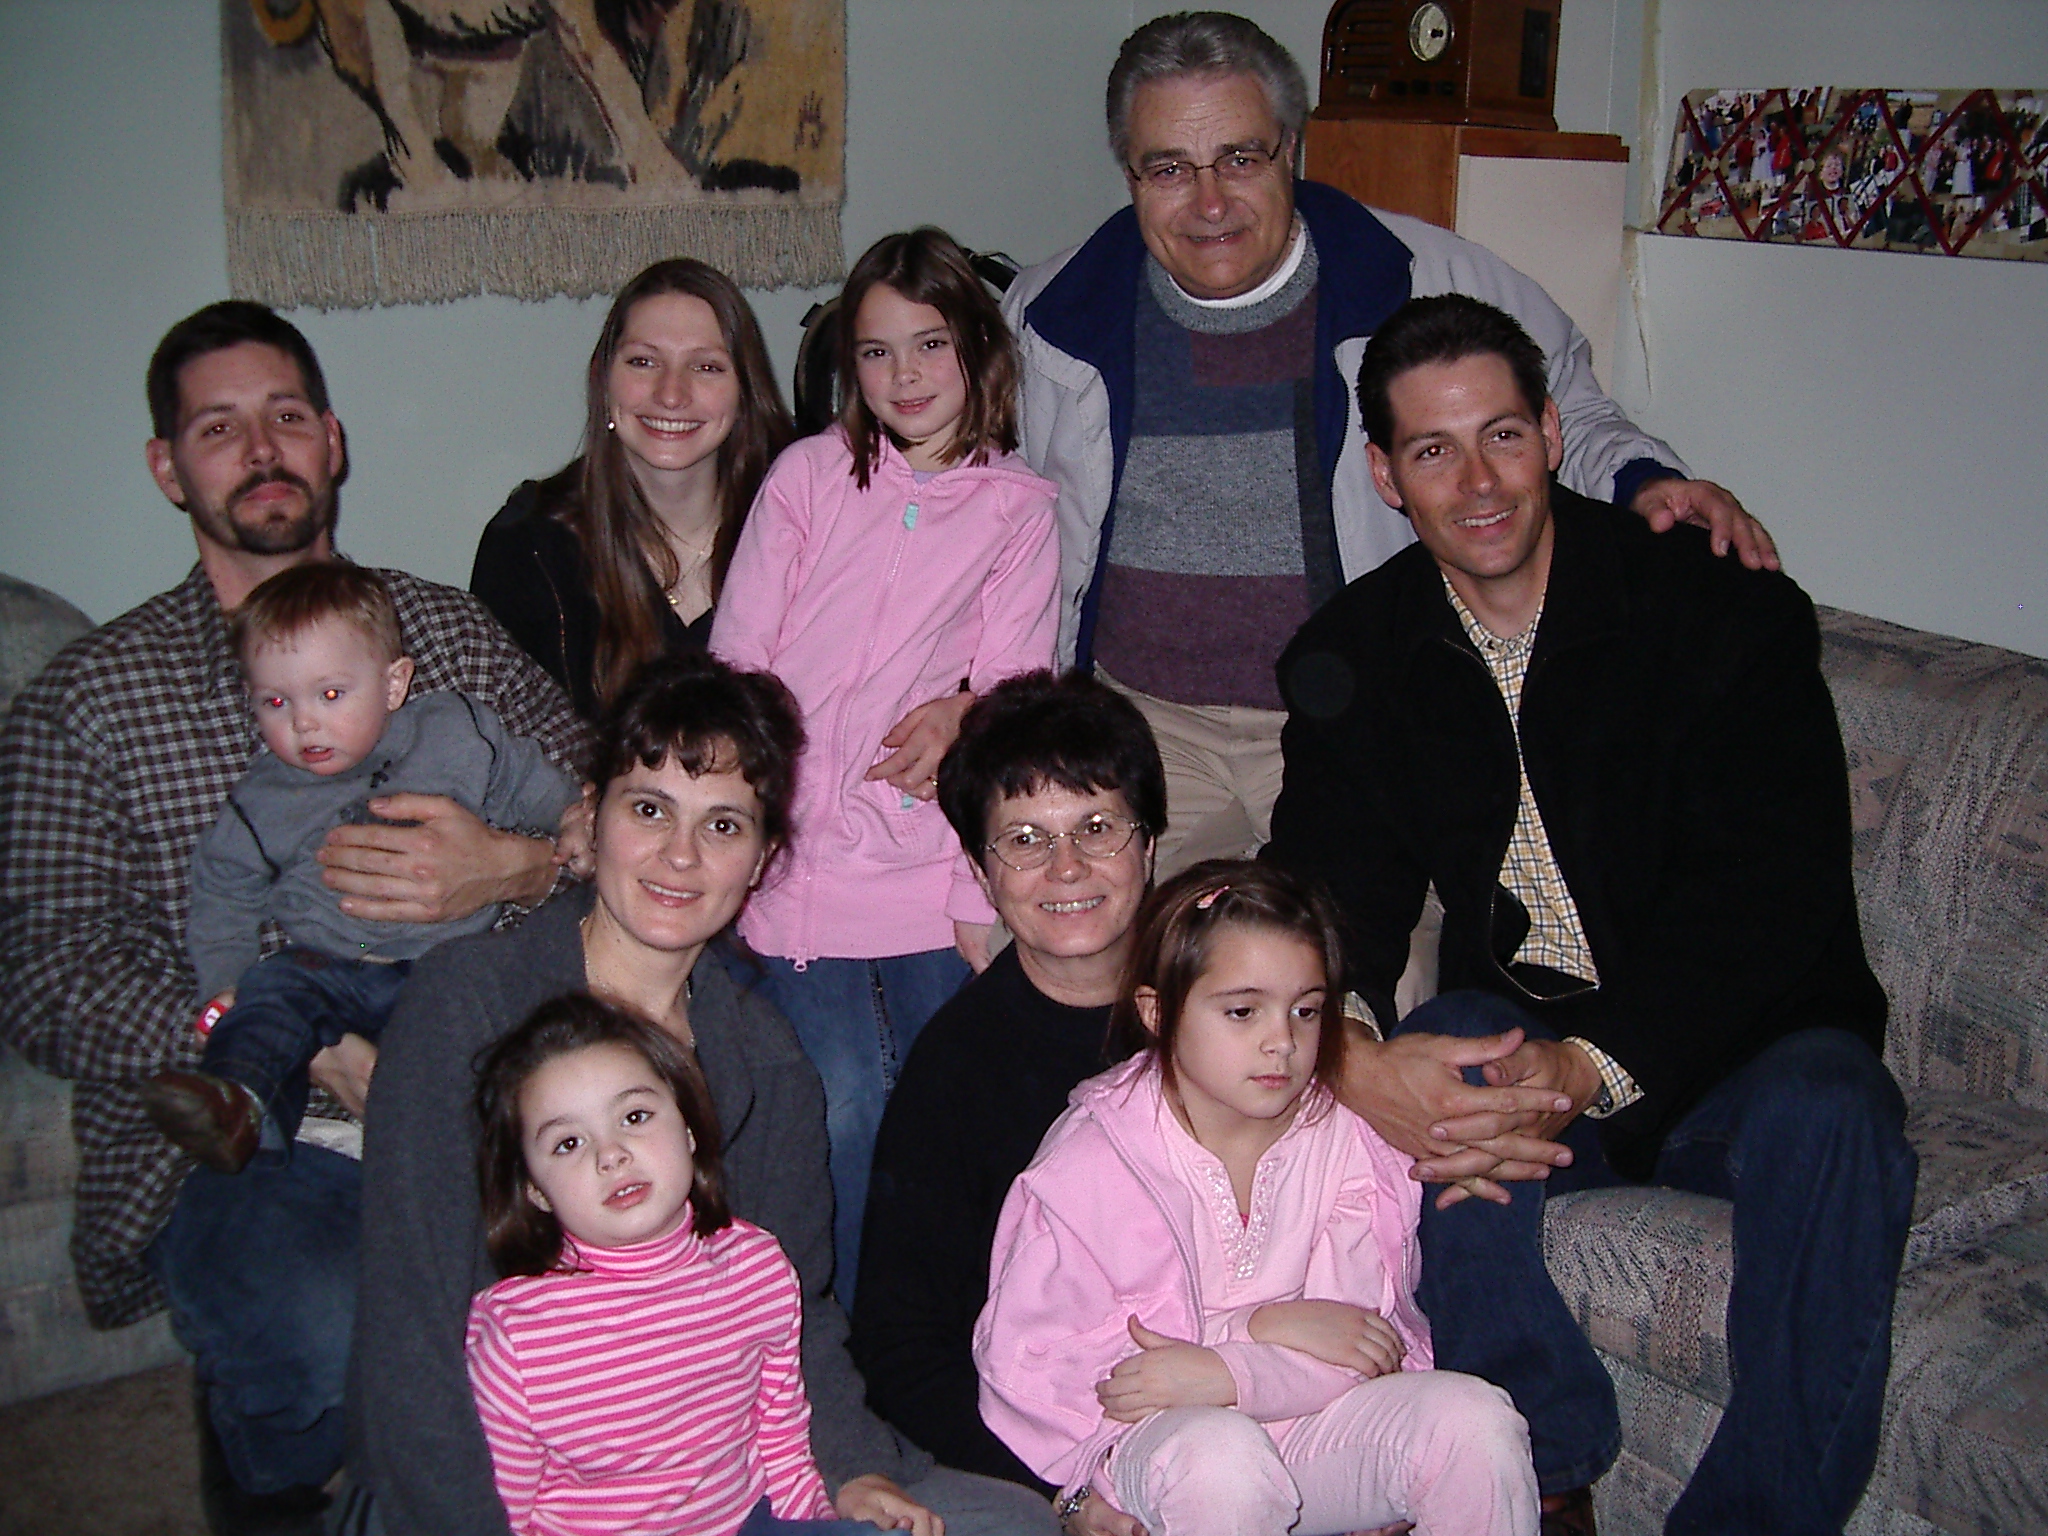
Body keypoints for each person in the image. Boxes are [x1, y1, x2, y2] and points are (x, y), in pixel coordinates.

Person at [1263, 295, 1914, 1534]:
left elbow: (1767, 901)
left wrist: (1589, 1062)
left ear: (1554, 434)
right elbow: (1322, 899)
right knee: (1450, 1042)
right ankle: (1538, 1474)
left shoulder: (1716, 609)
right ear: (1385, 476)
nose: (1477, 484)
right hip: (1528, 1049)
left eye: (1502, 436)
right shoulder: (1358, 652)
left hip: (1744, 1053)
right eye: (1432, 451)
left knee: (1839, 1108)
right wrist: (1345, 1052)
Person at [0, 300, 589, 1532]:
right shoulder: (90, 699)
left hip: (487, 1077)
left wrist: (517, 868)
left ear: (330, 440)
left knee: (597, 1321)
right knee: (321, 1331)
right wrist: (289, 1040)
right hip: (257, 1130)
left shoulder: (442, 634)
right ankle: (271, 1462)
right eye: (218, 428)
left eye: (284, 416)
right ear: (169, 467)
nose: (261, 448)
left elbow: (610, 810)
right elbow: (42, 971)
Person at [1003, 11, 1779, 877]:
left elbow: (1562, 407)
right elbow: (970, 494)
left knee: (1374, 954)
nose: (1210, 202)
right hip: (1145, 731)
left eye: (1241, 158)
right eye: (1170, 168)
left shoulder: (1427, 277)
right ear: (1131, 174)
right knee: (1071, 937)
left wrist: (1643, 480)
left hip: (1358, 719)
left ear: (1290, 150)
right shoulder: (1050, 315)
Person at [353, 651, 1061, 1536]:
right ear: (590, 816)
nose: (680, 856)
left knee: (1011, 1522)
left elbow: (796, 1316)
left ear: (763, 860)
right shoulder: (471, 1007)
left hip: (727, 1476)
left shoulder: (764, 1061)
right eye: (650, 809)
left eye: (723, 825)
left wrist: (851, 1468)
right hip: (514, 1494)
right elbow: (410, 1332)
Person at [975, 860, 1539, 1536]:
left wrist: (1233, 1362)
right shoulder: (1096, 1158)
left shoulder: (1347, 1136)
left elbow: (1357, 1344)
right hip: (1165, 1445)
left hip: (1314, 1420)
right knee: (1223, 1460)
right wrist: (1262, 1335)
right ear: (1158, 1012)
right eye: (1242, 1011)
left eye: (1306, 1010)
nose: (1283, 1042)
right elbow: (1063, 1368)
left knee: (1473, 1421)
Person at [710, 227, 1060, 1306]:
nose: (904, 376)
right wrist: (743, 838)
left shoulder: (1018, 510)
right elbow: (737, 665)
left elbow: (1017, 709)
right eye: (875, 352)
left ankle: (956, 1333)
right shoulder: (809, 477)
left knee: (962, 1108)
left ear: (978, 352)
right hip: (792, 873)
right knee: (844, 1105)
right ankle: (831, 1338)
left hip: (927, 871)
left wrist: (973, 885)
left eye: (929, 344)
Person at [145, 562, 581, 1174]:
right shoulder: (264, 797)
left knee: (508, 1016)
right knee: (269, 994)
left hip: (451, 963)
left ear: (393, 683)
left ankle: (493, 1143)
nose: (304, 723)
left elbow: (532, 784)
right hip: (328, 968)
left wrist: (571, 821)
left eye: (330, 695)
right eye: (276, 702)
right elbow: (222, 892)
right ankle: (239, 1106)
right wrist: (225, 988)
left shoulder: (453, 733)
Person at [852, 670, 1165, 1498]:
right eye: (1025, 840)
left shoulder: (1228, 1014)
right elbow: (901, 1346)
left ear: (1149, 845)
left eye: (1097, 828)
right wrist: (1067, 1493)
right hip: (1043, 1453)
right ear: (980, 871)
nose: (1067, 867)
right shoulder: (957, 1067)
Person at [466, 994, 880, 1536]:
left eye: (634, 1117)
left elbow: (784, 1449)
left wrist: (819, 1524)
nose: (611, 1154)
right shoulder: (516, 1336)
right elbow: (501, 1514)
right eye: (568, 1143)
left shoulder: (756, 1267)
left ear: (688, 1129)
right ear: (534, 1190)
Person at [470, 259, 794, 720]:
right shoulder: (528, 545)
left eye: (706, 367)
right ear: (604, 379)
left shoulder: (806, 521)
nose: (671, 394)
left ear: (745, 391)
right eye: (643, 362)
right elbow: (501, 737)